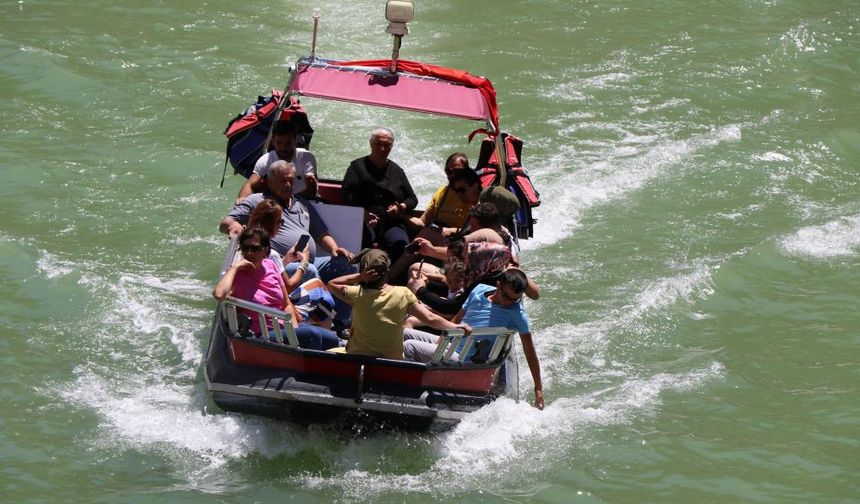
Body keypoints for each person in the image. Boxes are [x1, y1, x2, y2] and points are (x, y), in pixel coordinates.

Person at [220, 161, 355, 325]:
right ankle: (321, 321)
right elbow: (226, 222)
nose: (288, 185)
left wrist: (334, 248)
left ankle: (342, 322)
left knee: (345, 264)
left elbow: (321, 234)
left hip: (312, 259)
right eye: (283, 180)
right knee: (309, 270)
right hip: (280, 264)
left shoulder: (302, 203)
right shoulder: (258, 200)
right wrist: (233, 225)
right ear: (270, 182)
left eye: (291, 180)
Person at [328, 249, 470, 362]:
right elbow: (430, 319)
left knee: (331, 351)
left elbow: (332, 284)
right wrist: (455, 327)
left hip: (357, 357)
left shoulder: (356, 294)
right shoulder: (403, 294)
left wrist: (358, 277)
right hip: (391, 361)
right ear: (387, 271)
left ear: (364, 271)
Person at [212, 227, 341, 350]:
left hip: (285, 328)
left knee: (332, 339)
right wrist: (235, 268)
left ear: (265, 250)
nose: (249, 252)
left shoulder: (271, 265)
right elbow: (219, 294)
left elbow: (286, 304)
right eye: (246, 248)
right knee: (311, 335)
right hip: (263, 334)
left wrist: (294, 330)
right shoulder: (237, 274)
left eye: (255, 248)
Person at [452, 268, 544, 409]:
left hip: (460, 360)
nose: (509, 303)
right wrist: (439, 341)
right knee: (410, 334)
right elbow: (456, 320)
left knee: (410, 345)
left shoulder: (517, 314)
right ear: (498, 285)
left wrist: (538, 389)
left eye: (515, 299)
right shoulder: (479, 290)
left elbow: (529, 350)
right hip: (449, 346)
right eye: (506, 297)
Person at [342, 127, 417, 262]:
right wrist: (364, 214)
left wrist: (400, 208)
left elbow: (412, 199)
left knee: (400, 244)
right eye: (378, 144)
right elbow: (347, 193)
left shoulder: (397, 171)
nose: (382, 148)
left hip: (390, 222)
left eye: (386, 145)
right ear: (371, 144)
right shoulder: (357, 167)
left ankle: (389, 279)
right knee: (363, 246)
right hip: (362, 221)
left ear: (391, 147)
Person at [235, 120, 318, 203]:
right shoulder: (265, 160)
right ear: (273, 141)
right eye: (279, 142)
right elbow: (250, 184)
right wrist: (242, 199)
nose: (283, 147)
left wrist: (288, 201)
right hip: (278, 204)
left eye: (288, 143)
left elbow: (311, 191)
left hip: (306, 202)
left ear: (295, 141)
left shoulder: (306, 157)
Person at [246, 199, 318, 290]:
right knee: (311, 271)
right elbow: (289, 286)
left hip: (252, 290)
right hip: (268, 300)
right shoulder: (270, 253)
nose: (281, 225)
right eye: (280, 222)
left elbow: (268, 269)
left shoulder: (248, 245)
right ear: (270, 224)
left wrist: (286, 259)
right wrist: (304, 264)